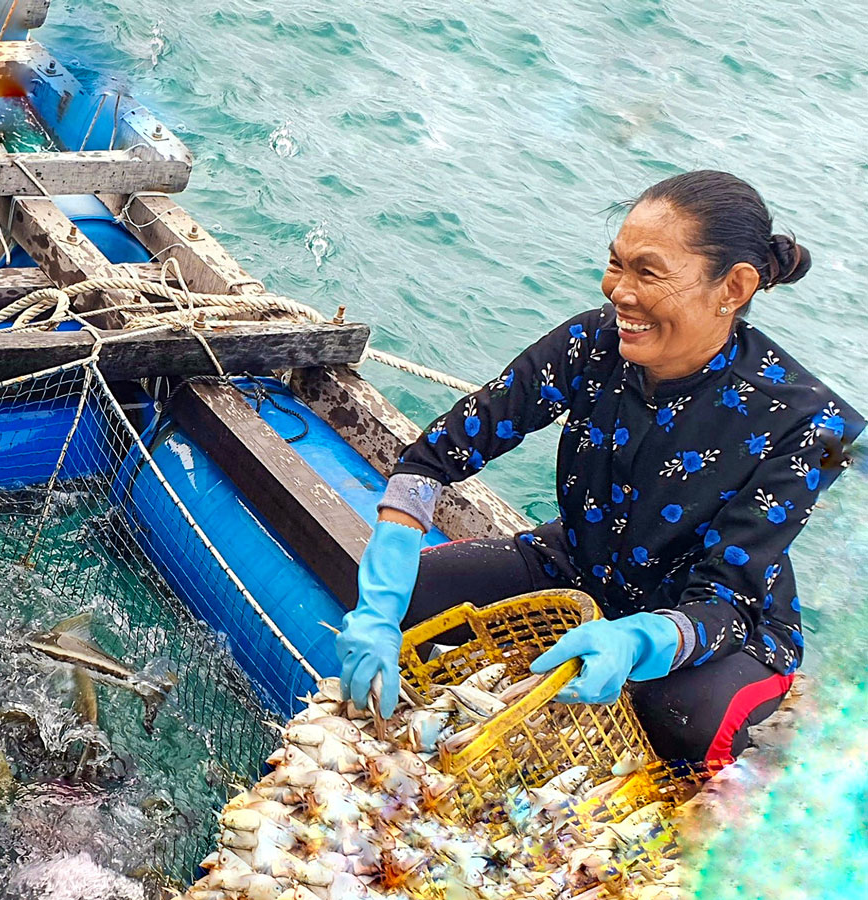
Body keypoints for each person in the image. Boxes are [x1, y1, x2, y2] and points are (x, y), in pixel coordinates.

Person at [336, 171, 863, 764]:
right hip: (582, 562)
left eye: (649, 271)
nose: (620, 291)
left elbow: (727, 599)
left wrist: (637, 638)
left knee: (684, 722)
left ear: (734, 287)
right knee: (411, 596)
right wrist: (379, 607)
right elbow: (434, 459)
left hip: (716, 618)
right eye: (617, 264)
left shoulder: (809, 425)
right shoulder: (592, 342)